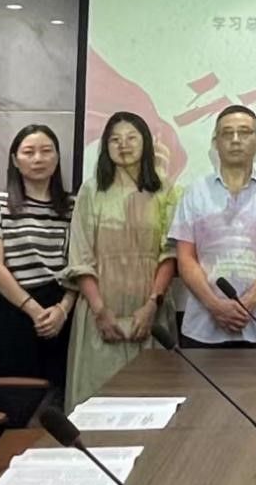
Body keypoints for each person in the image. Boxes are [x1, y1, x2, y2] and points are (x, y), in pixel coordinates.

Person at [62, 112, 179, 409]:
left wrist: (152, 305)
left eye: (131, 138)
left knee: (151, 403)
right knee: (97, 405)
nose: (123, 145)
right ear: (105, 146)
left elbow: (170, 253)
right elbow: (80, 255)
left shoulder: (165, 191)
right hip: (101, 312)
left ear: (146, 143)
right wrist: (100, 310)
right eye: (115, 139)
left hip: (150, 312)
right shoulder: (91, 191)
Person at [171, 105, 256, 349]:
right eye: (227, 133)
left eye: (244, 132)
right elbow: (185, 257)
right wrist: (215, 306)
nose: (235, 140)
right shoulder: (194, 192)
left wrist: (248, 303)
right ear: (216, 142)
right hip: (202, 326)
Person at [0, 124, 74, 391]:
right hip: (11, 310)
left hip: (58, 312)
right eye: (29, 152)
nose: (38, 159)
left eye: (46, 151)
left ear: (57, 157)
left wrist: (63, 310)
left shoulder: (73, 207)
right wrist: (34, 310)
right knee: (13, 397)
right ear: (14, 160)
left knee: (57, 396)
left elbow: (78, 267)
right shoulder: (0, 204)